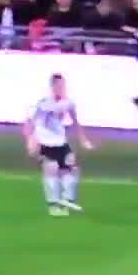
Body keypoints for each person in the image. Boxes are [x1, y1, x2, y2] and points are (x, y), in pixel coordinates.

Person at [23, 74, 94, 217]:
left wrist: (83, 139)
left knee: (72, 168)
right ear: (53, 87)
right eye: (59, 86)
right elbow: (29, 122)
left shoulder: (68, 103)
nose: (62, 88)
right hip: (45, 143)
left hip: (61, 142)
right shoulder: (43, 104)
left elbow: (75, 121)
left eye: (63, 85)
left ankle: (66, 199)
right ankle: (53, 206)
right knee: (51, 170)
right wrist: (30, 141)